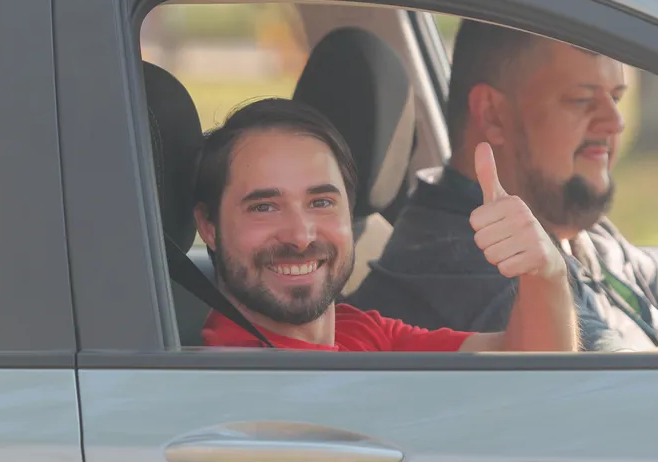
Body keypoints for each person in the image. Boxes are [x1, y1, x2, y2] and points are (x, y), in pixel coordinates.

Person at [349, 20, 658, 351]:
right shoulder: (472, 271)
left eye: (616, 97)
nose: (615, 122)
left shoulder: (569, 228)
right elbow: (646, 400)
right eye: (581, 101)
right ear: (492, 114)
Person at [192, 98, 578, 352]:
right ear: (208, 227)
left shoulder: (357, 332)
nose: (300, 235)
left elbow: (529, 366)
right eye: (264, 207)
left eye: (321, 202)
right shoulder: (234, 368)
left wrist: (545, 271)